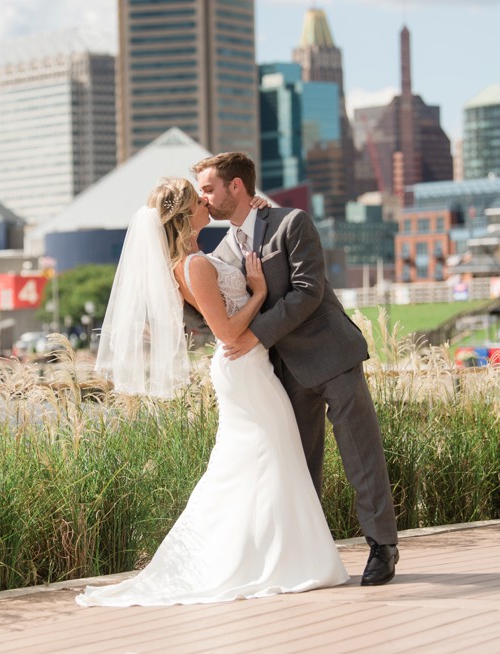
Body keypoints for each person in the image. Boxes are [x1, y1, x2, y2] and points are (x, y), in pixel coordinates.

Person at [76, 178, 349, 607]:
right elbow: (226, 332)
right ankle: (276, 562)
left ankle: (279, 559)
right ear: (187, 213)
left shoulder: (196, 258)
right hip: (244, 369)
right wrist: (259, 294)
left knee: (260, 464)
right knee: (268, 459)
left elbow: (239, 250)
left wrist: (255, 208)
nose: (207, 202)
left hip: (250, 369)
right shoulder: (195, 266)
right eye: (198, 198)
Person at [192, 152, 399, 586]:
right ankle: (311, 556)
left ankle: (383, 547)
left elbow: (307, 292)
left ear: (236, 187)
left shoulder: (292, 223)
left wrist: (254, 336)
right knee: (299, 468)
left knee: (361, 455)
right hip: (280, 374)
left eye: (209, 188)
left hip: (331, 355)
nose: (203, 198)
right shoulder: (222, 251)